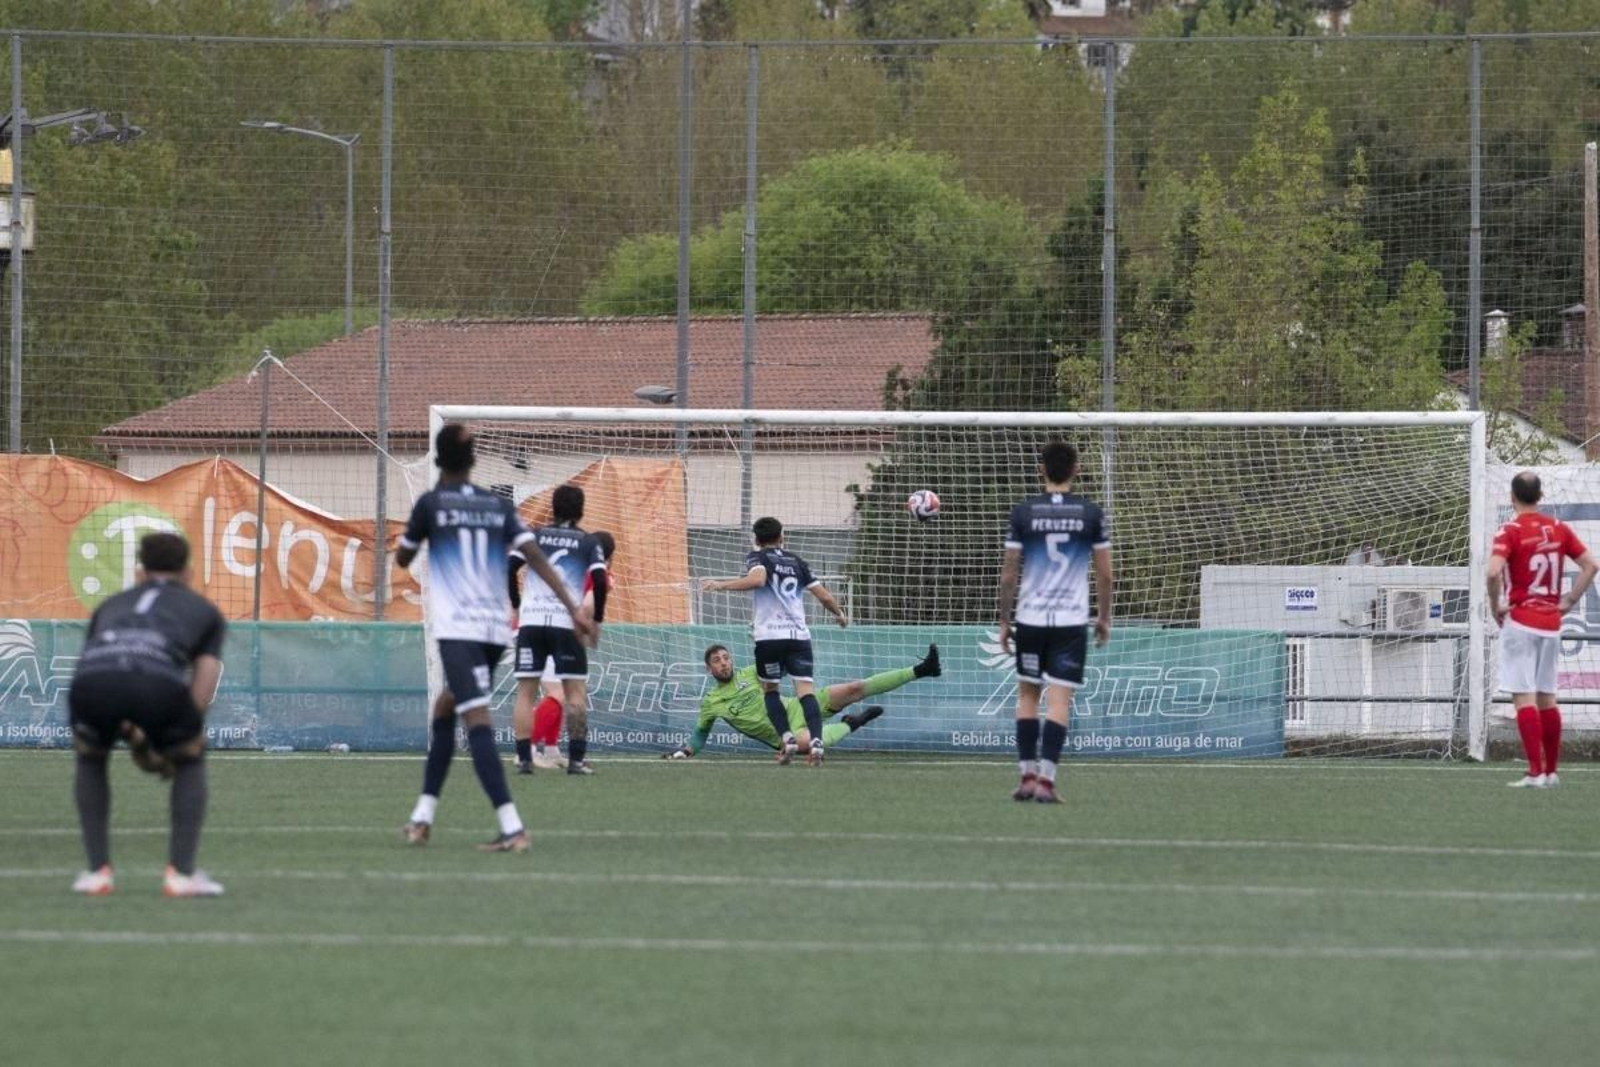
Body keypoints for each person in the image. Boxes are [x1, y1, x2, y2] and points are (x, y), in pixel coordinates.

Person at [396, 424, 592, 850]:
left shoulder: (430, 504)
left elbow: (404, 556)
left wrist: (413, 539)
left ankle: (512, 825)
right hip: (494, 629)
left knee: (476, 717)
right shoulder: (496, 506)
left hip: (458, 630)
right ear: (472, 461)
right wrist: (574, 607)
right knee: (447, 706)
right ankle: (422, 816)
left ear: (437, 459)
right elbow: (537, 559)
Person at [67, 531, 227, 897]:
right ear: (187, 572)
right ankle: (181, 876)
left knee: (91, 757)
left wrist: (132, 732)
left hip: (92, 682)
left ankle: (97, 873)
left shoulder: (110, 605)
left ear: (140, 571)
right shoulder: (205, 611)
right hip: (156, 681)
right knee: (190, 761)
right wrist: (186, 738)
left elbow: (98, 663)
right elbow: (204, 676)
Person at [997, 440, 1113, 805]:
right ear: (1076, 469)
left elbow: (1009, 575)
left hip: (1031, 619)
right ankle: (1047, 781)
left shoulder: (1024, 513)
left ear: (1041, 470)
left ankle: (1026, 777)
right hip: (1070, 621)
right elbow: (1107, 574)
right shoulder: (1090, 514)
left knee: (1028, 695)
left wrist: (1004, 621)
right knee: (1060, 700)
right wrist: (1104, 617)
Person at [702, 517, 847, 766]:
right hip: (798, 637)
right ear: (782, 536)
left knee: (771, 689)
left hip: (769, 638)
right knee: (806, 692)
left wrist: (721, 585)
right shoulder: (798, 562)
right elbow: (823, 595)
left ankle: (788, 738)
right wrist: (840, 614)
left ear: (756, 540)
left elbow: (757, 580)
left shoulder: (757, 557)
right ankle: (816, 741)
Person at [1487, 470, 1598, 788]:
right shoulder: (1559, 528)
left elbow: (1494, 572)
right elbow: (1592, 564)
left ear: (1512, 497)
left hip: (1521, 621)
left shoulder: (1508, 530)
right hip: (1552, 623)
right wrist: (1570, 600)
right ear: (1540, 496)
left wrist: (1496, 605)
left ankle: (1535, 772)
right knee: (1547, 698)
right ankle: (1551, 772)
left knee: (1524, 699)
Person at [662, 642, 942, 760]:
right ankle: (853, 724)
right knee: (806, 744)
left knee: (854, 688)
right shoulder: (712, 702)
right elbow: (700, 734)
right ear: (708, 670)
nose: (723, 663)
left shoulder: (750, 672)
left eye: (726, 658)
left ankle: (922, 670)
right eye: (716, 661)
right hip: (786, 735)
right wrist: (685, 753)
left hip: (798, 705)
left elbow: (781, 670)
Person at [507, 490, 609, 777]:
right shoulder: (588, 541)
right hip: (567, 624)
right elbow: (600, 580)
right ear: (581, 510)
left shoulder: (533, 536)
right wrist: (597, 620)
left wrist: (516, 606)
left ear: (552, 509)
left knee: (526, 693)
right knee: (574, 693)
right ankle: (576, 760)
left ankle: (524, 758)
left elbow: (510, 567)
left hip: (532, 622)